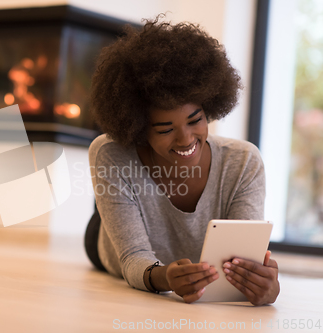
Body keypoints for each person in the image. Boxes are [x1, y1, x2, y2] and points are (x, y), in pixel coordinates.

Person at [84, 16, 280, 305]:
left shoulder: (243, 162)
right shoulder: (109, 153)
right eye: (165, 129)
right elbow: (133, 258)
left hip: (172, 233)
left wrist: (265, 288)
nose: (186, 139)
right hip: (111, 244)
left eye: (195, 120)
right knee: (108, 219)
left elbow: (243, 264)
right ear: (139, 129)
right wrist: (163, 277)